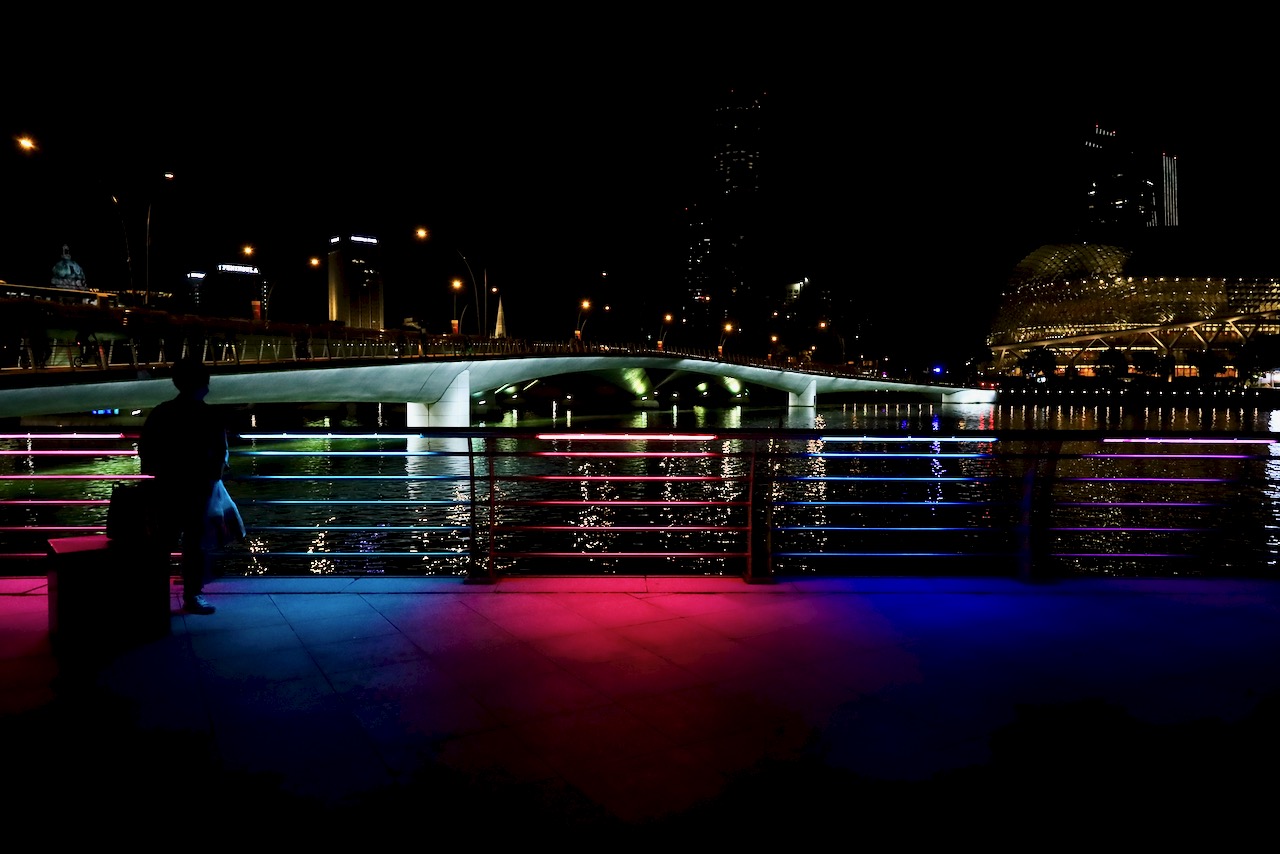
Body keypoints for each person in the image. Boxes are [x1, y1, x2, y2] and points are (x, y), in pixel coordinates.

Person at [138, 357, 234, 615]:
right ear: (202, 384)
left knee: (162, 543)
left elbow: (146, 450)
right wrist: (212, 474)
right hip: (199, 489)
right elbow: (220, 453)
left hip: (167, 487)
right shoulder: (210, 416)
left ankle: (154, 596)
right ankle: (192, 594)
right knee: (195, 544)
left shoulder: (161, 413)